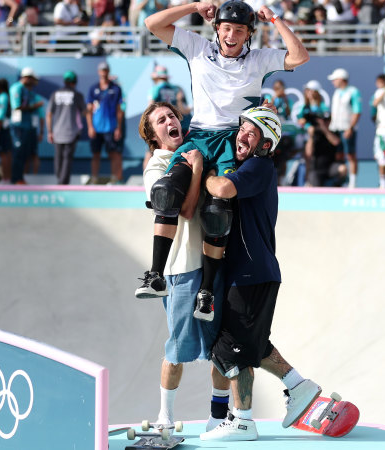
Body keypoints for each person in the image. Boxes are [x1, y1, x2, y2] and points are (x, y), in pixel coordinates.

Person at [138, 0, 309, 322]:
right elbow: (153, 24)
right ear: (217, 28)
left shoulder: (259, 59)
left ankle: (205, 293)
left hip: (233, 140)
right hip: (199, 136)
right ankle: (155, 274)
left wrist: (273, 17)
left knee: (218, 211)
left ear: (249, 34)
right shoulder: (197, 48)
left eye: (240, 31)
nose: (232, 35)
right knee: (166, 192)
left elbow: (299, 56)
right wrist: (195, 6)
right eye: (227, 28)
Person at [199, 106, 322, 441]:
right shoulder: (253, 165)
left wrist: (203, 172)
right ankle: (299, 386)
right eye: (242, 129)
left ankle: (242, 421)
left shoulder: (258, 166)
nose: (242, 135)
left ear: (266, 145)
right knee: (254, 346)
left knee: (232, 348)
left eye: (252, 133)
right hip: (255, 273)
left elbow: (222, 189)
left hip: (251, 274)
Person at [139, 101, 232, 432]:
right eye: (161, 120)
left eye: (172, 116)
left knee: (220, 348)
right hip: (179, 271)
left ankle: (218, 418)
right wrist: (195, 171)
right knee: (178, 348)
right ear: (153, 136)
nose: (170, 121)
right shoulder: (156, 166)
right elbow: (186, 212)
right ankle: (165, 415)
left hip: (211, 265)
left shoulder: (197, 150)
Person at [86, 62, 124, 184]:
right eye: (101, 70)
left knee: (113, 154)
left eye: (105, 70)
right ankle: (94, 178)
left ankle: (114, 179)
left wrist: (118, 127)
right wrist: (90, 127)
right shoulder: (93, 88)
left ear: (108, 71)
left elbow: (119, 110)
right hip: (96, 128)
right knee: (95, 154)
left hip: (111, 127)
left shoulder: (116, 88)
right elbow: (89, 110)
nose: (103, 72)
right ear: (98, 72)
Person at [47, 71, 86, 185]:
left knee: (58, 158)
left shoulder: (55, 94)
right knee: (67, 158)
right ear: (74, 82)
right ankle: (62, 183)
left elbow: (49, 114)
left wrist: (50, 131)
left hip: (57, 132)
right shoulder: (77, 95)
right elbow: (84, 112)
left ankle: (60, 179)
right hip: (71, 132)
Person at [327, 68, 361, 188]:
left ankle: (353, 182)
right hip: (336, 128)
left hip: (347, 128)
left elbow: (357, 112)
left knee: (350, 155)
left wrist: (350, 128)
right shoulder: (336, 93)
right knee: (338, 155)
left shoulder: (353, 92)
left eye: (335, 79)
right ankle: (341, 180)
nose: (333, 82)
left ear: (341, 79)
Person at [9, 67, 42, 185]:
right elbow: (17, 106)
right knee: (18, 152)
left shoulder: (27, 90)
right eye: (32, 79)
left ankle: (20, 177)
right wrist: (34, 106)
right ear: (27, 77)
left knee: (24, 153)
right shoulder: (17, 88)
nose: (33, 82)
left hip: (26, 127)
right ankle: (15, 178)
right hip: (18, 127)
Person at [0, 78, 13, 184]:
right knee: (7, 153)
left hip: (3, 130)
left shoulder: (3, 97)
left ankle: (6, 178)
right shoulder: (8, 96)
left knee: (4, 154)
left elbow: (0, 116)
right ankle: (7, 177)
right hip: (7, 129)